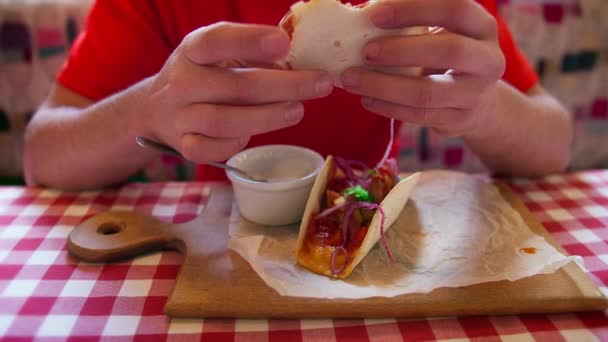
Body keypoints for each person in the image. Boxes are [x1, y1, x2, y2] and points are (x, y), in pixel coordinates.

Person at [23, 0, 572, 191]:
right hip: (221, 251)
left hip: (376, 241)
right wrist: (148, 112)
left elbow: (554, 142)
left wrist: (482, 107)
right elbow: (42, 155)